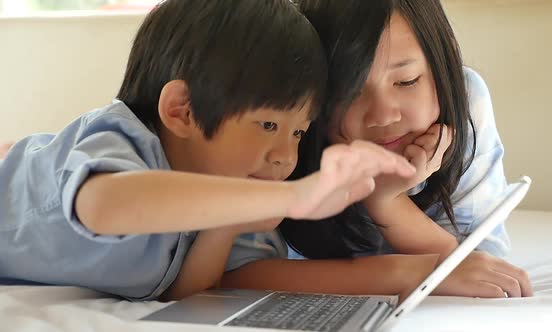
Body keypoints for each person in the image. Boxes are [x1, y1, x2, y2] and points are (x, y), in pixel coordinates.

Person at [0, 0, 416, 302]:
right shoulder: (121, 141)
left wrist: (226, 226)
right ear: (182, 111)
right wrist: (294, 195)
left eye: (298, 133)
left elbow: (187, 293)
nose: (285, 157)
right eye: (268, 125)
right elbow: (102, 207)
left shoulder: (211, 193)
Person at [220, 0, 533, 299]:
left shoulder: (466, 103)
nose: (383, 115)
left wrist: (389, 203)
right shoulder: (289, 125)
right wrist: (412, 271)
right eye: (350, 91)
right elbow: (238, 270)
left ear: (444, 63)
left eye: (407, 81)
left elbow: (485, 267)